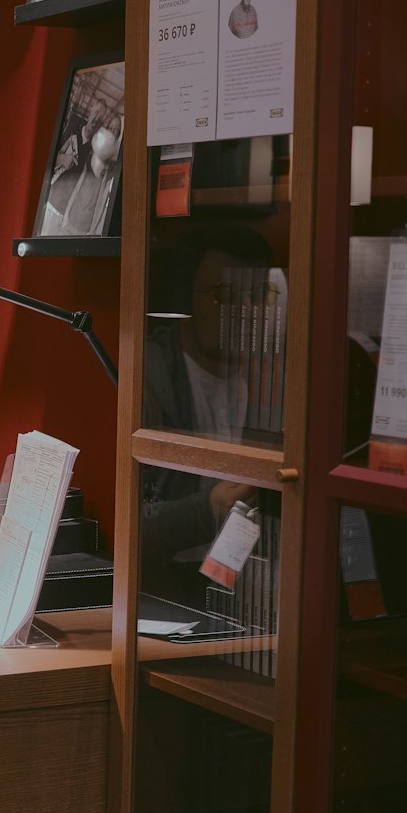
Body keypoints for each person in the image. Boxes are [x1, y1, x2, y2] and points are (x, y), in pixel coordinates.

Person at [139, 223, 272, 590]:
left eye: (258, 295)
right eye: (224, 295)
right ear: (187, 301)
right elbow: (129, 520)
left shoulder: (275, 377)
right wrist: (208, 508)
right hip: (167, 584)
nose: (247, 312)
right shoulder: (146, 378)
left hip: (257, 579)